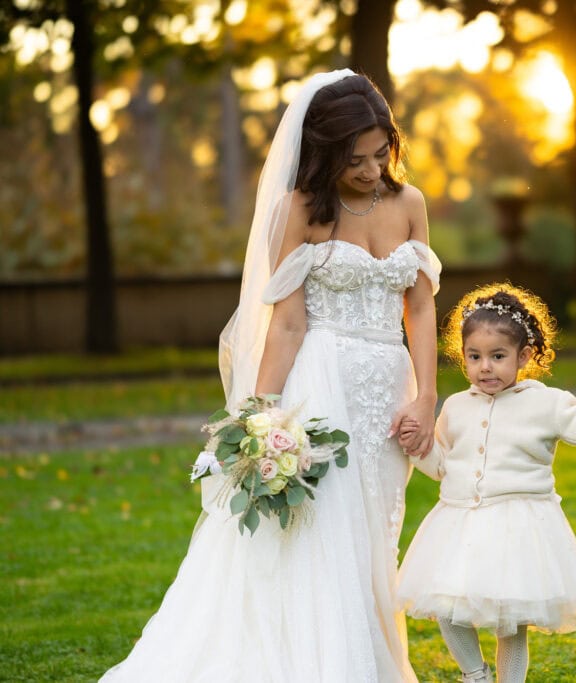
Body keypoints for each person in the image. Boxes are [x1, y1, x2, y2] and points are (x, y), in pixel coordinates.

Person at [101, 70, 438, 682]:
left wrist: (427, 398)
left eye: (380, 152)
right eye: (354, 158)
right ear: (323, 151)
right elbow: (286, 324)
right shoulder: (300, 210)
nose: (369, 169)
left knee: (374, 536)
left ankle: (372, 659)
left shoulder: (410, 204)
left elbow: (419, 305)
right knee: (324, 534)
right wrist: (260, 414)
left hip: (389, 390)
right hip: (324, 386)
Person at [394, 284, 576, 683]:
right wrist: (417, 448)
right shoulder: (456, 408)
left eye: (497, 357)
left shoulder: (546, 402)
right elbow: (443, 466)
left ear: (523, 356)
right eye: (474, 357)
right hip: (459, 523)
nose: (484, 368)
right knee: (446, 604)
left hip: (517, 525)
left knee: (510, 619)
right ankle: (474, 675)